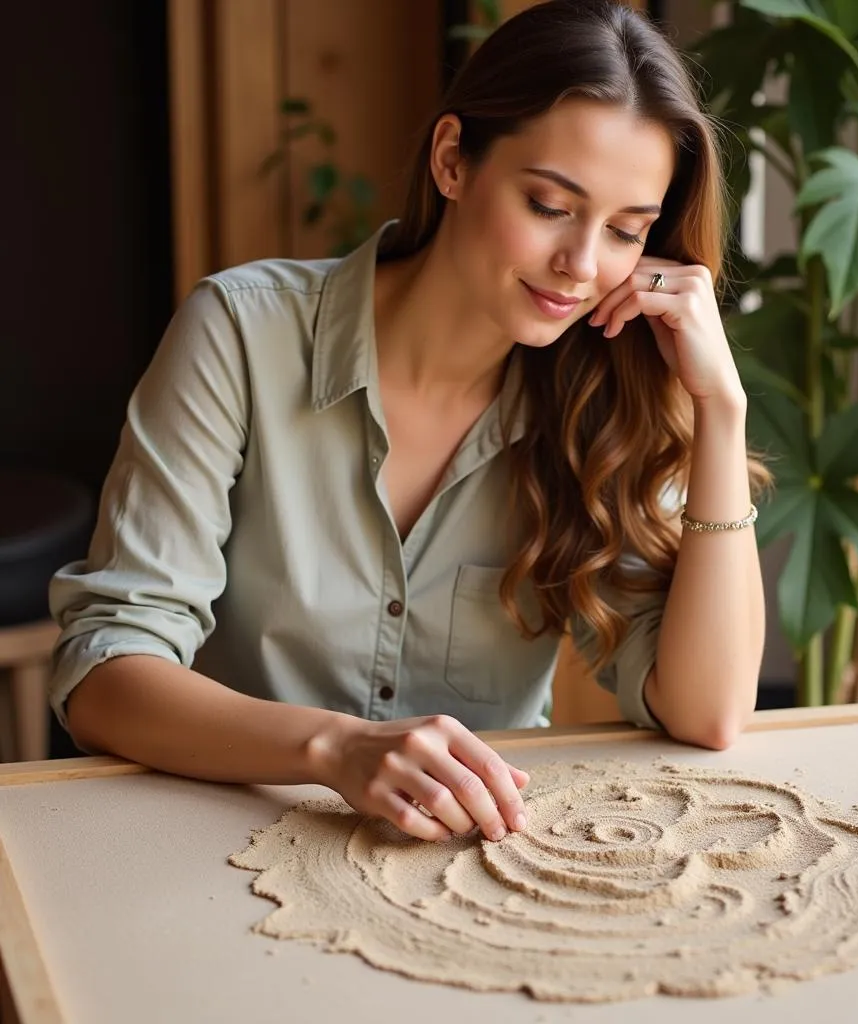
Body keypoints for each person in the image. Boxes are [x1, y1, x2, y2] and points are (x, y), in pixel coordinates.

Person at [49, 0, 769, 845]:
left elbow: (707, 713)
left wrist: (720, 411)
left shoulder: (602, 400)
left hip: (478, 870)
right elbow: (104, 673)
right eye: (548, 205)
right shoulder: (242, 333)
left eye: (625, 230)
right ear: (454, 159)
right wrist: (335, 749)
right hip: (217, 840)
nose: (581, 266)